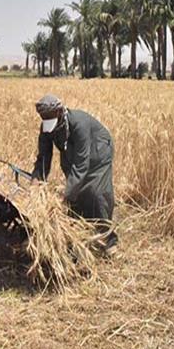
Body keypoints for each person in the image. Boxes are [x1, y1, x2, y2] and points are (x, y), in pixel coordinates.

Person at [31, 94, 118, 251]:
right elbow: (43, 157)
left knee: (95, 190)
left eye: (50, 117)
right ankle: (79, 231)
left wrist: (65, 196)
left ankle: (108, 240)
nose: (47, 121)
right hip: (73, 150)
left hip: (99, 150)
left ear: (59, 112)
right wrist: (36, 182)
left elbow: (81, 165)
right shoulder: (47, 127)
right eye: (44, 118)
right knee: (75, 188)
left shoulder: (79, 124)